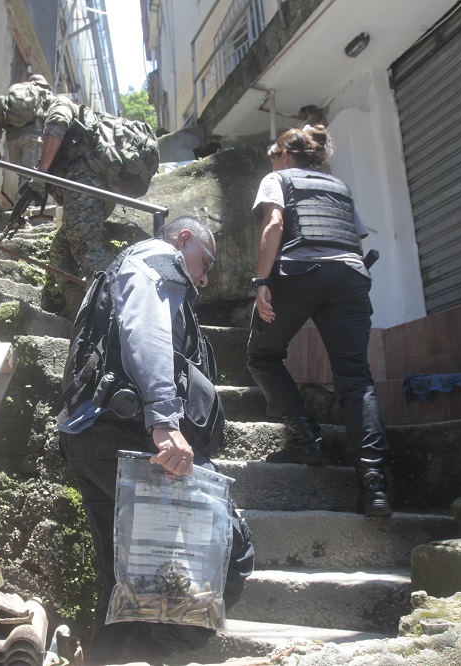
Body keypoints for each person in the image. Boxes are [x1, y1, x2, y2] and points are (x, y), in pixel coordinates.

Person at [56, 216, 254, 664]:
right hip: (132, 439)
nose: (203, 277)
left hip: (90, 436)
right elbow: (145, 334)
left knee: (125, 577)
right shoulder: (156, 260)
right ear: (184, 240)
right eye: (205, 262)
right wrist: (164, 423)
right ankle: (150, 656)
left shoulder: (121, 268)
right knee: (230, 545)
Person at [246, 124, 392, 517]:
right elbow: (356, 243)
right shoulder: (339, 188)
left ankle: (307, 437)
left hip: (298, 271)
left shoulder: (277, 178)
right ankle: (375, 488)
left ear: (287, 155)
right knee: (356, 379)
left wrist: (261, 281)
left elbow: (273, 224)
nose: (273, 162)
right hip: (350, 276)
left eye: (275, 155)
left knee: (262, 354)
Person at [34, 91, 118, 320]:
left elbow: (57, 123)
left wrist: (41, 173)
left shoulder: (59, 103)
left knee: (84, 245)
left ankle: (113, 312)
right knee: (61, 249)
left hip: (85, 182)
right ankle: (76, 307)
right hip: (93, 187)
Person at [0, 74, 53, 187]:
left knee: (23, 175)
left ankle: (20, 201)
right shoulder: (44, 95)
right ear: (41, 84)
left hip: (12, 138)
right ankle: (22, 203)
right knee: (28, 175)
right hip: (32, 138)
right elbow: (53, 121)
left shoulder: (14, 93)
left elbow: (0, 118)